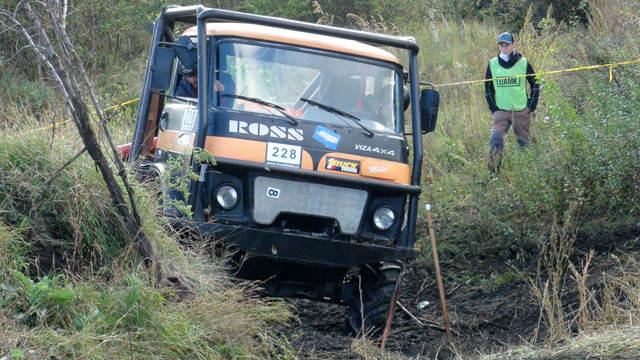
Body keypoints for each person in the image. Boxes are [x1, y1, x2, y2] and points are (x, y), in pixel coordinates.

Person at [485, 32, 540, 173]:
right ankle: (493, 175)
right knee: (496, 141)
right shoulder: (492, 64)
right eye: (501, 45)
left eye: (507, 45)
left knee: (523, 143)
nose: (504, 48)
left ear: (513, 45)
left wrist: (531, 107)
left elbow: (535, 83)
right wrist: (494, 109)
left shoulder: (523, 62)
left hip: (521, 111)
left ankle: (528, 174)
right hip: (501, 111)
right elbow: (488, 89)